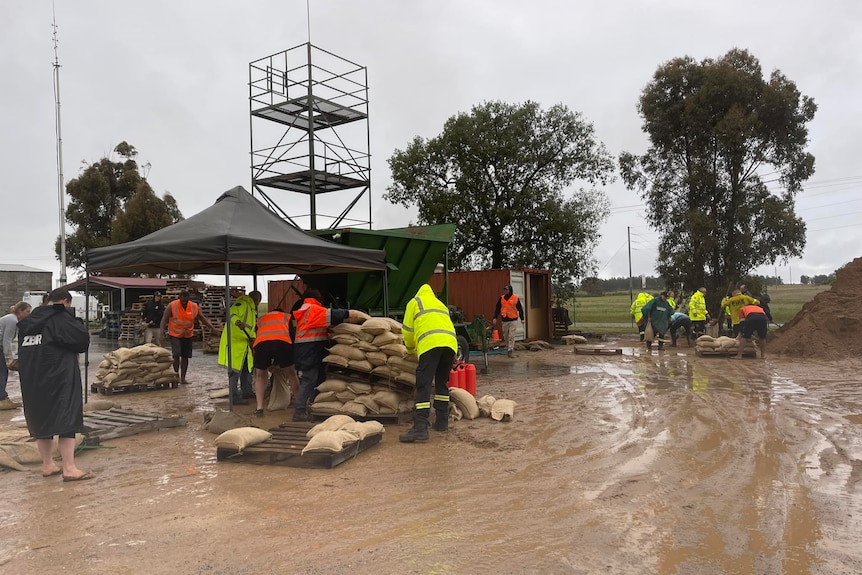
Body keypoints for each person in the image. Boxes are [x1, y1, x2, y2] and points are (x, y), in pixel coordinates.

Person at [16, 288, 92, 481]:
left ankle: (48, 464)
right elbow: (81, 342)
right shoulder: (60, 319)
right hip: (59, 377)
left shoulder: (27, 322)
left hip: (32, 378)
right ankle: (69, 468)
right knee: (66, 418)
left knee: (41, 419)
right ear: (65, 301)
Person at [400, 284, 458, 443]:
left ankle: (420, 427)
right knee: (441, 384)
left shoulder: (414, 302)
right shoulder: (440, 304)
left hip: (430, 344)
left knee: (424, 384)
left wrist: (410, 349)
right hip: (450, 345)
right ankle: (442, 422)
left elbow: (407, 330)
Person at [291, 289, 361, 421]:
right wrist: (349, 313)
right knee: (309, 380)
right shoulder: (312, 309)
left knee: (316, 380)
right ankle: (299, 411)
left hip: (308, 350)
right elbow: (333, 314)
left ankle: (312, 406)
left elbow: (316, 327)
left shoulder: (306, 309)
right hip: (309, 350)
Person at [159, 289, 219, 385]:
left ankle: (183, 378)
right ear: (179, 298)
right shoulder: (172, 305)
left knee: (185, 356)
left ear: (189, 299)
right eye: (183, 301)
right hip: (174, 334)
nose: (184, 303)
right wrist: (161, 333)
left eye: (186, 301)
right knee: (176, 353)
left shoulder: (194, 306)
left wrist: (212, 328)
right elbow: (164, 319)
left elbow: (202, 318)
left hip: (187, 335)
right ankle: (175, 375)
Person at [251, 307, 300, 417]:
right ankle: (299, 404)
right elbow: (292, 338)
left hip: (261, 345)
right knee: (291, 374)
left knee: (260, 376)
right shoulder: (286, 317)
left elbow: (258, 336)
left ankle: (259, 408)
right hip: (282, 343)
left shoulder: (261, 319)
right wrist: (282, 362)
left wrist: (269, 364)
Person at [218, 290, 261, 405]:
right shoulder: (242, 304)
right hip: (235, 342)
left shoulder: (251, 309)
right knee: (234, 370)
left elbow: (250, 327)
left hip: (244, 343)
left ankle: (246, 391)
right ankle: (234, 397)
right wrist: (237, 322)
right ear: (257, 300)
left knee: (247, 369)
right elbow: (231, 313)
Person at [0, 301, 32, 410]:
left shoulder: (14, 320)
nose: (29, 314)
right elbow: (6, 341)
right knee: (2, 373)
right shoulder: (12, 320)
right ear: (20, 311)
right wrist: (9, 359)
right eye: (27, 312)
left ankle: (2, 398)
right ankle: (2, 400)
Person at [493, 285, 524, 358]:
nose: (506, 291)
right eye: (505, 290)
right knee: (506, 336)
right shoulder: (502, 298)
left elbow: (520, 309)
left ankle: (510, 350)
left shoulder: (515, 298)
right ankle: (508, 347)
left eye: (507, 290)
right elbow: (497, 308)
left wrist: (522, 318)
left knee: (511, 336)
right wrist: (495, 317)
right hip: (504, 321)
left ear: (510, 290)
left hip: (513, 320)